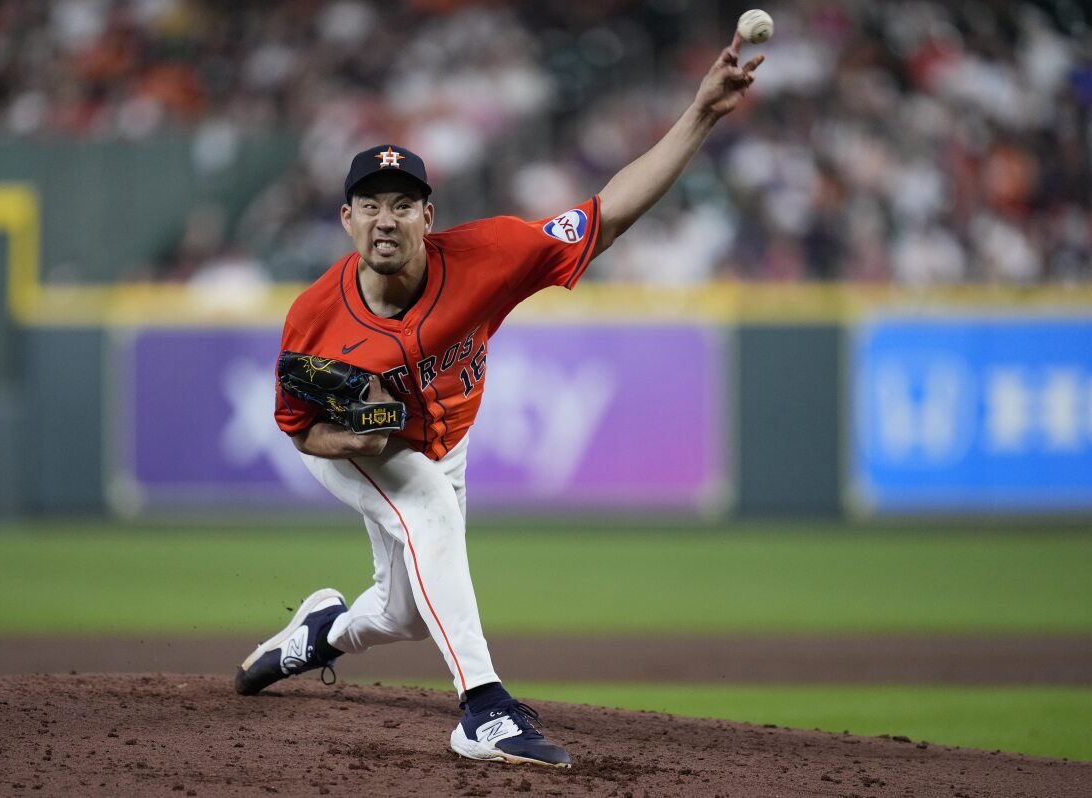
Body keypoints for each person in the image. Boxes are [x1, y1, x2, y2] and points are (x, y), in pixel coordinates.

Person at [234, 33, 763, 768]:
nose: (386, 218)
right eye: (370, 205)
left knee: (406, 612)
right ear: (348, 220)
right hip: (365, 452)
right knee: (427, 508)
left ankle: (321, 632)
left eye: (403, 204)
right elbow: (296, 428)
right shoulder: (315, 319)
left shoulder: (491, 255)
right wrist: (350, 444)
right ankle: (482, 708)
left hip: (446, 441)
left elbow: (608, 213)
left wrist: (701, 114)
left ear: (428, 215)